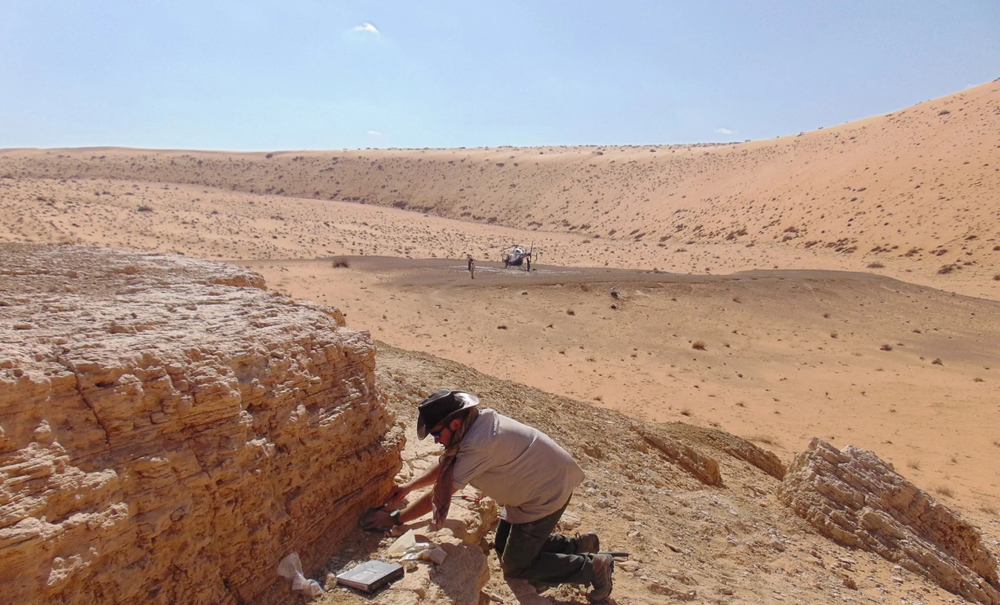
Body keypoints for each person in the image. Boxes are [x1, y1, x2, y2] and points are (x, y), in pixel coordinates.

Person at [361, 389, 614, 602]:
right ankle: (580, 546)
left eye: (437, 433)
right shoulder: (473, 428)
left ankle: (592, 567)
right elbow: (447, 465)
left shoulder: (481, 443)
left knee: (516, 566)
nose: (436, 440)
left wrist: (395, 519)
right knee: (505, 547)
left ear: (455, 423)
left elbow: (441, 495)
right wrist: (408, 487)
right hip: (538, 485)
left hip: (545, 492)